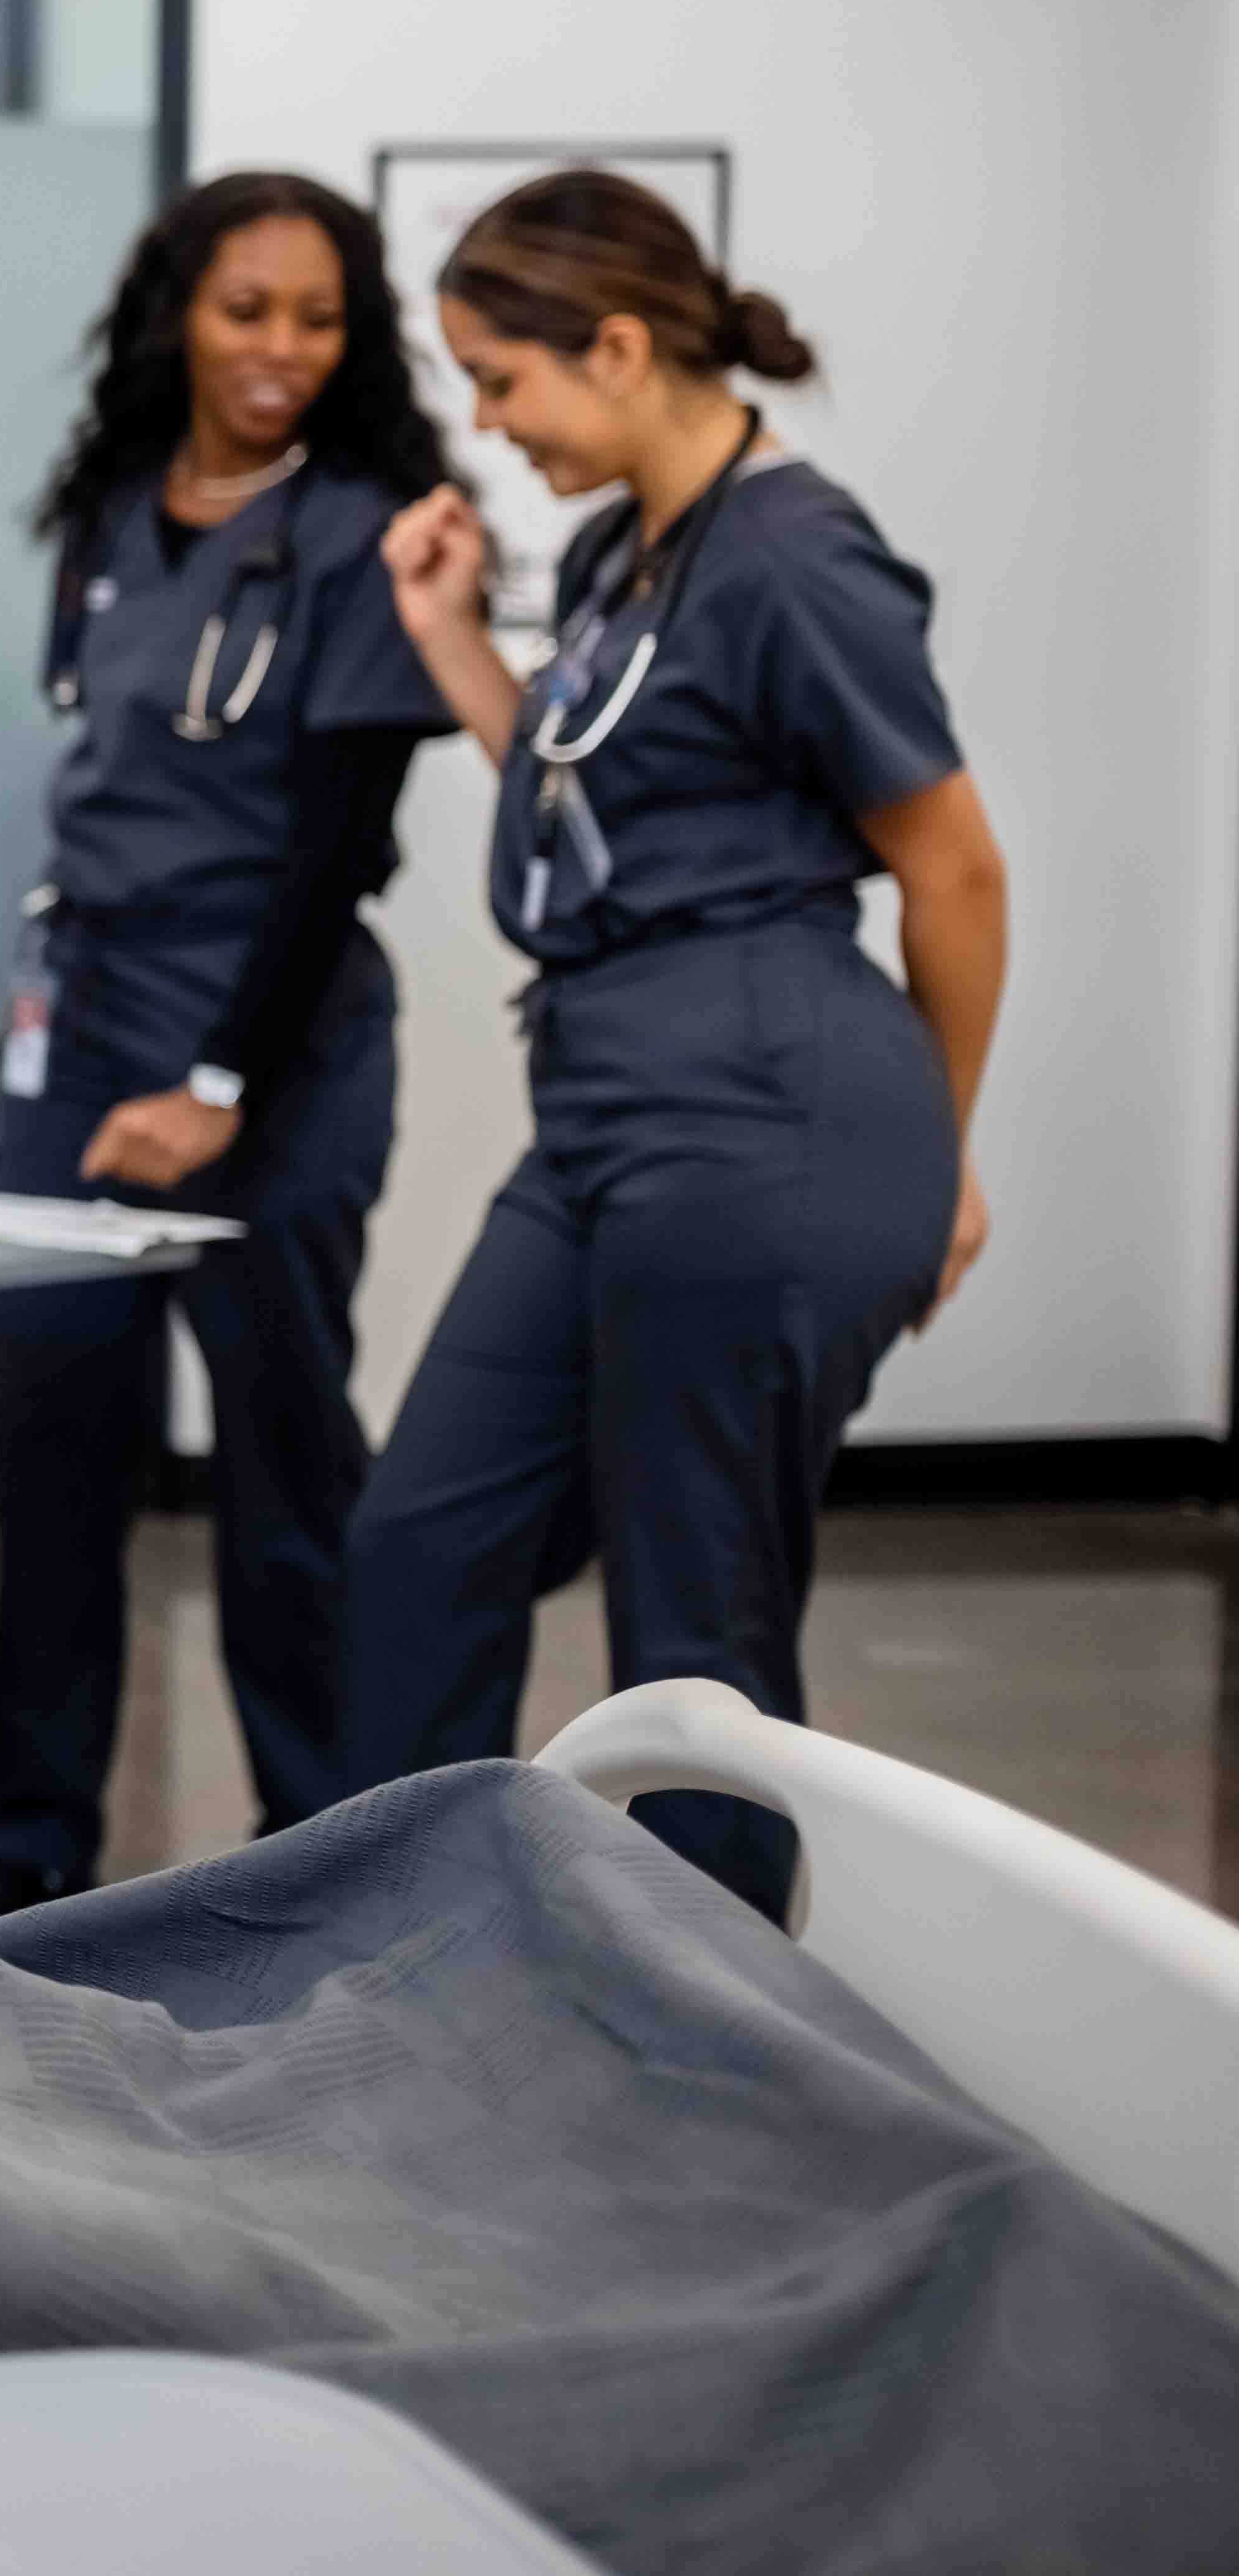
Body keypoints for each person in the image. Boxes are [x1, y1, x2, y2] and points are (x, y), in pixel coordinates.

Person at [349, 170, 1006, 1919]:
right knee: (423, 1544)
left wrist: (948, 1151)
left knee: (694, 1643)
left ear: (622, 347)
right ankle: (413, 1968)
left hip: (766, 1099)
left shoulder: (799, 561)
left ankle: (715, 2078)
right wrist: (449, 646)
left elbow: (953, 870)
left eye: (503, 379)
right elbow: (601, 809)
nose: (488, 424)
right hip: (611, 1104)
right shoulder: (615, 547)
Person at [0, 174, 461, 1931]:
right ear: (178, 316)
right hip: (85, 1015)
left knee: (285, 1471)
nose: (281, 352)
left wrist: (217, 1085)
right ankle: (26, 1848)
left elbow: (337, 846)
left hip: (271, 1031)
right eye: (247, 312)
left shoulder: (373, 533)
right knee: (56, 1444)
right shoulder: (113, 510)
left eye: (317, 317)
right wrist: (101, 1062)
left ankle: (339, 1862)